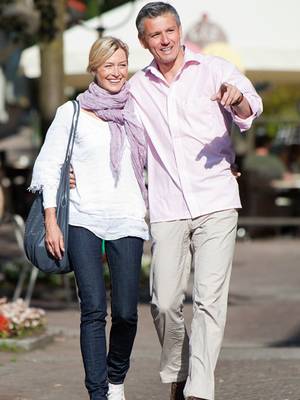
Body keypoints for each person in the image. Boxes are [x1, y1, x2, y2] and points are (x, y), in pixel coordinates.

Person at [129, 3, 263, 400]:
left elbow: (250, 108)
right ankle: (181, 369)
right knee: (164, 301)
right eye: (156, 34)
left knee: (208, 300)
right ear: (144, 41)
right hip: (167, 206)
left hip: (216, 199)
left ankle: (198, 392)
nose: (165, 39)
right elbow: (114, 136)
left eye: (170, 30)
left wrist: (237, 98)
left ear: (180, 30)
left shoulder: (215, 69)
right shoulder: (137, 87)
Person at [29, 36, 148, 400]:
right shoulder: (73, 112)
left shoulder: (139, 109)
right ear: (94, 68)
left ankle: (115, 377)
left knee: (127, 312)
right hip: (82, 217)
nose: (115, 72)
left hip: (128, 217)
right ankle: (99, 392)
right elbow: (49, 167)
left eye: (121, 64)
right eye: (107, 65)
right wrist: (51, 220)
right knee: (93, 308)